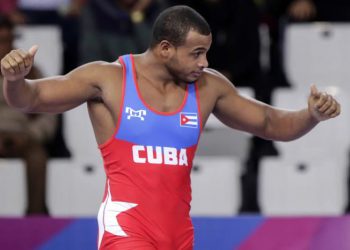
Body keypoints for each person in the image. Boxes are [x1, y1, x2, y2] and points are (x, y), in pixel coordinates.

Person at [1, 5, 340, 249]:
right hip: (126, 230)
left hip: (179, 235)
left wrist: (310, 115)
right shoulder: (108, 79)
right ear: (165, 48)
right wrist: (15, 80)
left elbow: (269, 122)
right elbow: (31, 99)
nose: (204, 62)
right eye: (196, 53)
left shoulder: (208, 87)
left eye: (206, 53)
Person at [0, 15, 58, 215]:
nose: (4, 46)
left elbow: (49, 111)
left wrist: (32, 134)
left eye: (8, 40)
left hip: (24, 136)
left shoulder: (31, 72)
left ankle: (36, 217)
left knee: (37, 156)